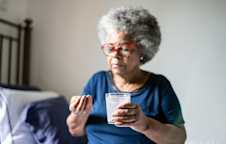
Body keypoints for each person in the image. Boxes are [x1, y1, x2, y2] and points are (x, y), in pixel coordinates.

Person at [66, 6, 186, 144]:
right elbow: (75, 130)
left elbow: (179, 139)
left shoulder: (159, 86)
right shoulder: (97, 80)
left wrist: (144, 124)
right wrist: (80, 112)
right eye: (110, 48)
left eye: (124, 49)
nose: (115, 56)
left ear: (142, 51)